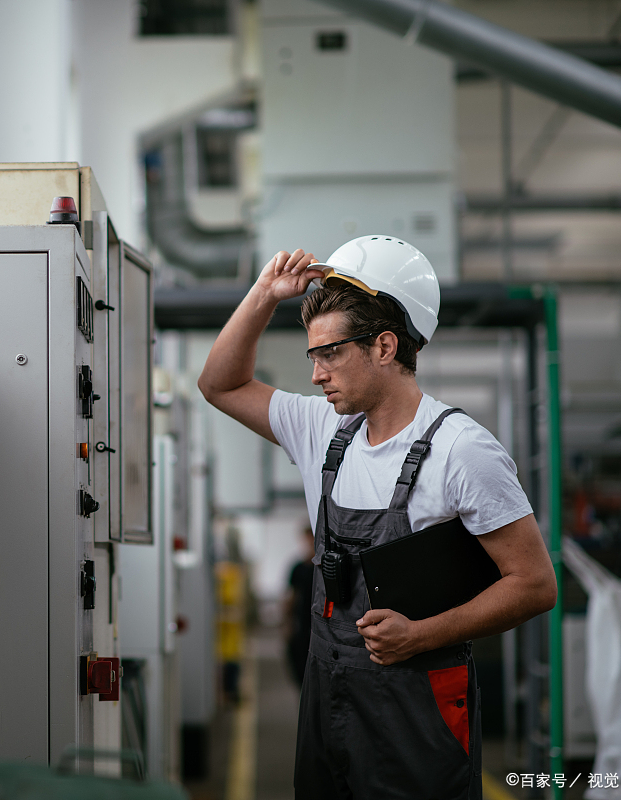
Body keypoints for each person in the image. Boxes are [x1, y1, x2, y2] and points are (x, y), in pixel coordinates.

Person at [197, 237, 557, 799]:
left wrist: (420, 635)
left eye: (329, 353)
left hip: (418, 710)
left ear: (385, 347)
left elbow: (535, 585)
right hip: (328, 695)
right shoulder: (324, 430)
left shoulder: (462, 450)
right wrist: (264, 293)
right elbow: (218, 384)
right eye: (312, 355)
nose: (315, 374)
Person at [283, 525, 315, 686]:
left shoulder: (324, 568)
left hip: (319, 625)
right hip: (302, 626)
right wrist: (287, 626)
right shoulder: (299, 569)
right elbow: (291, 598)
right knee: (300, 669)